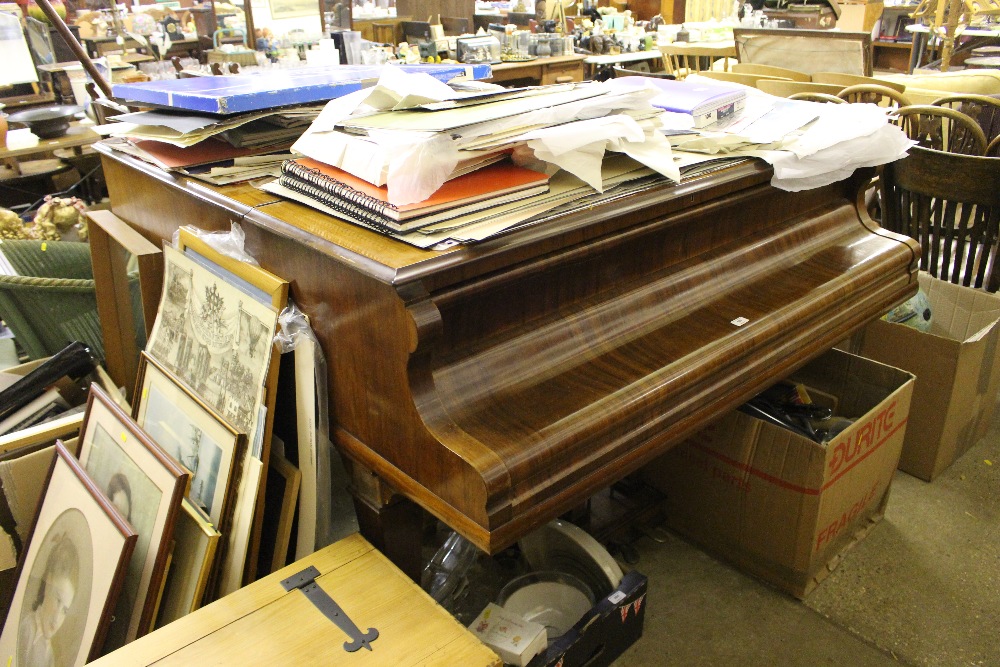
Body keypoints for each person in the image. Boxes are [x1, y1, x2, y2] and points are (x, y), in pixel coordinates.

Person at [18, 535, 79, 667]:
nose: (57, 618)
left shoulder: (50, 654)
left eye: (65, 610)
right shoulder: (26, 630)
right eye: (58, 600)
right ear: (48, 583)